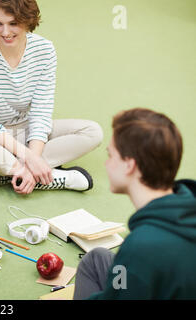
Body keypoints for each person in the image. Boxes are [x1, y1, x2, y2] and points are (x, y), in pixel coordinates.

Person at [0, 0, 103, 195]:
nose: (5, 32)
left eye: (13, 23)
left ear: (28, 20)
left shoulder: (45, 50)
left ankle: (0, 174)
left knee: (92, 132)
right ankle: (50, 176)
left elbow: (41, 112)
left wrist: (33, 155)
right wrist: (29, 158)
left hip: (22, 129)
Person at [73, 108, 196, 299]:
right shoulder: (189, 202)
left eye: (110, 155)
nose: (106, 164)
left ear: (129, 165)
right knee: (97, 258)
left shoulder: (140, 247)